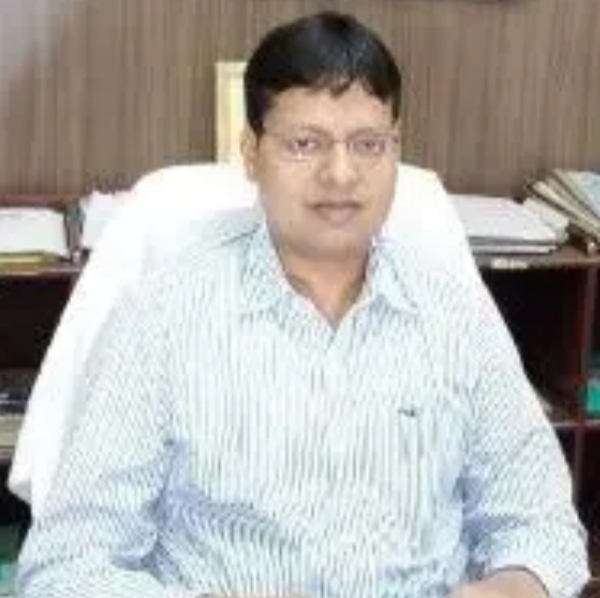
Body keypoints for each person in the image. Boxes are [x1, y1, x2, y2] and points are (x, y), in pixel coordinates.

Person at [17, 11, 588, 598]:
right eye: (305, 144)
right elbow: (67, 566)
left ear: (396, 148)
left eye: (368, 145)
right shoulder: (164, 315)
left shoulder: (456, 316)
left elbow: (543, 525)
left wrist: (508, 589)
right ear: (250, 152)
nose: (340, 174)